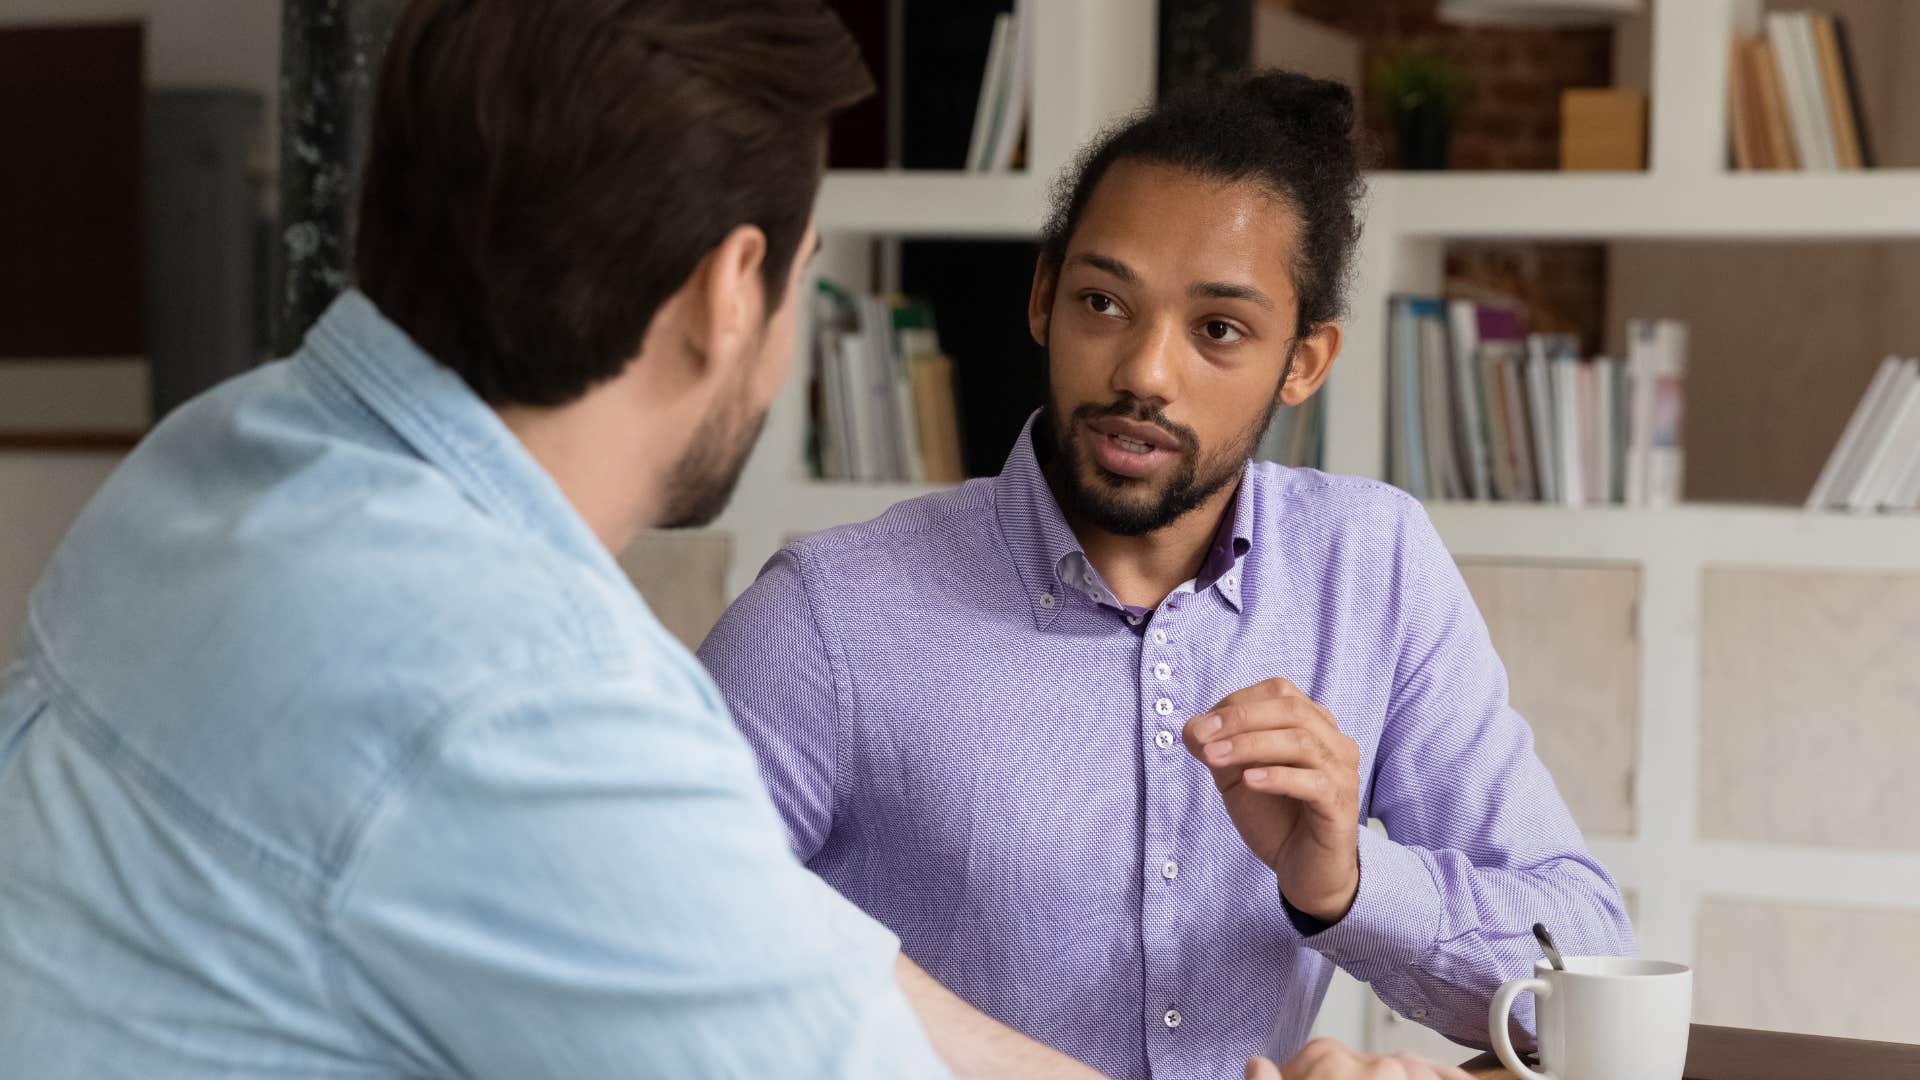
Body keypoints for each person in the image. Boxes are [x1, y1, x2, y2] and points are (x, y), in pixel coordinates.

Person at [699, 70, 1636, 1080]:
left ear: (1305, 361)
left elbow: (1587, 975)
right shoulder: (832, 612)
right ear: (1043, 296)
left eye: (1218, 330)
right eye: (1104, 302)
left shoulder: (1371, 567)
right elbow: (649, 941)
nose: (1146, 371)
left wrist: (1350, 884)